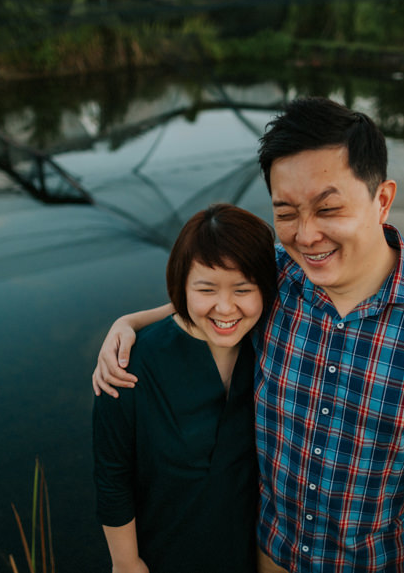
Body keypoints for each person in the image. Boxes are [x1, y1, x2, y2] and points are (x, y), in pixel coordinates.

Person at [94, 97, 404, 573]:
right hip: (269, 554)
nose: (306, 236)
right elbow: (214, 303)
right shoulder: (277, 277)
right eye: (286, 212)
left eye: (328, 208)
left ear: (383, 199)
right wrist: (128, 323)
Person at [93, 203, 277, 573]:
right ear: (182, 286)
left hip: (252, 554)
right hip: (164, 554)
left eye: (243, 289)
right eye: (206, 289)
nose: (225, 308)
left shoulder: (272, 347)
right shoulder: (130, 365)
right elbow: (113, 476)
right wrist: (126, 562)